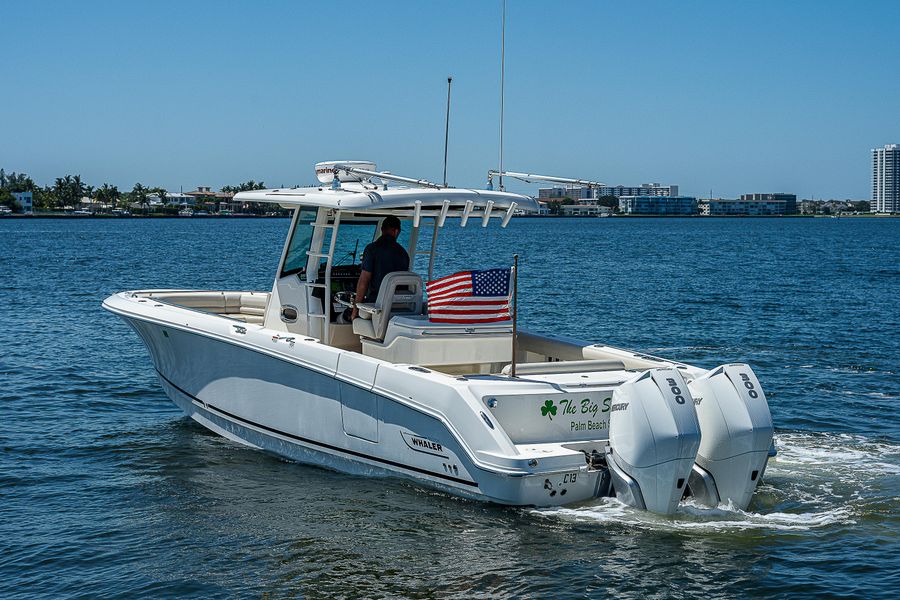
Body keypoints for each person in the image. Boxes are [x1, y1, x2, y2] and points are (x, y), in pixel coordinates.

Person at [351, 215, 409, 320]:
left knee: (345, 315)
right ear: (396, 232)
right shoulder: (404, 254)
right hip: (398, 308)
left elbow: (364, 281)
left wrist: (355, 309)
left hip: (376, 306)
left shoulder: (371, 249)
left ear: (382, 229)